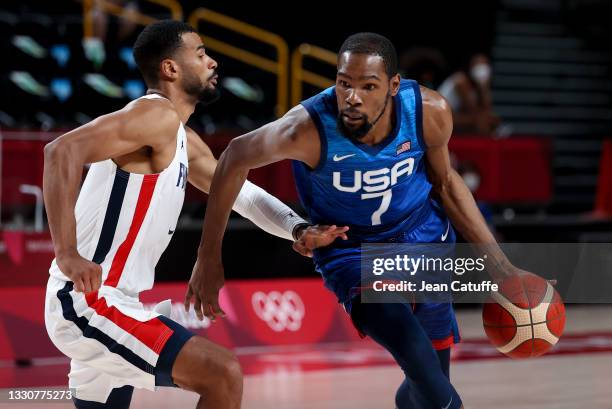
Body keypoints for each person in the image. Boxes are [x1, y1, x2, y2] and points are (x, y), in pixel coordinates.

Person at [194, 33, 530, 409]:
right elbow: (234, 156)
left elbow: (447, 185)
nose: (352, 97)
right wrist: (209, 256)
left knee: (427, 386)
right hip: (354, 253)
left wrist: (501, 267)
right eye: (344, 84)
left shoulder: (429, 112)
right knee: (432, 383)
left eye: (368, 86)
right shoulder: (306, 128)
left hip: (425, 239)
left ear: (393, 86)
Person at [43, 20, 346, 409]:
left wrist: (296, 228)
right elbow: (60, 152)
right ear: (170, 68)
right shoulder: (156, 117)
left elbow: (241, 194)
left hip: (116, 301)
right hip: (91, 301)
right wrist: (66, 253)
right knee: (222, 374)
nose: (212, 61)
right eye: (200, 53)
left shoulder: (180, 136)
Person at [437, 53, 500, 135]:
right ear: (471, 67)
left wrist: (485, 87)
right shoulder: (460, 81)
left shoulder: (478, 86)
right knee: (481, 121)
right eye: (478, 64)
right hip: (437, 118)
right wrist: (483, 87)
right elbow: (472, 109)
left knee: (491, 119)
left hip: (453, 117)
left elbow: (488, 109)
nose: (482, 69)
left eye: (485, 64)